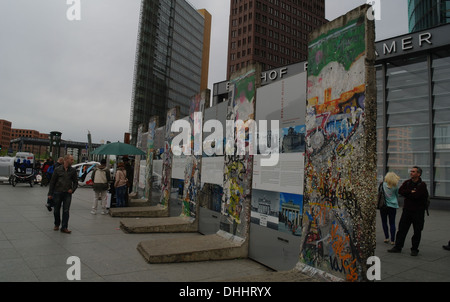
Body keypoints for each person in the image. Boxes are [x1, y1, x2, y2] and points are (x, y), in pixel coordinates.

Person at [388, 166, 429, 256]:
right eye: (411, 171)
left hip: (418, 212)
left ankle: (414, 249)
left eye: (413, 171)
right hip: (407, 211)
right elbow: (401, 191)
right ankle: (398, 247)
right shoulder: (407, 182)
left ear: (418, 174)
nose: (411, 173)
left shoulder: (422, 185)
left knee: (417, 231)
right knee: (402, 229)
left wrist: (408, 193)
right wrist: (411, 192)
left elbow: (417, 195)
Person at [48, 154, 78, 234]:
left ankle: (64, 227)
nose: (73, 161)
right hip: (57, 192)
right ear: (66, 160)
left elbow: (75, 182)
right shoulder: (57, 169)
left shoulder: (73, 170)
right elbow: (52, 182)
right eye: (71, 159)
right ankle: (57, 224)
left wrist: (72, 189)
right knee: (56, 210)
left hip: (67, 193)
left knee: (66, 210)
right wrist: (50, 194)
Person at [380, 172, 400, 245]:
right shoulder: (395, 186)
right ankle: (392, 240)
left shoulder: (383, 184)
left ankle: (386, 237)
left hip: (383, 206)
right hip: (393, 206)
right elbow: (397, 195)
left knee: (384, 222)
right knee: (392, 223)